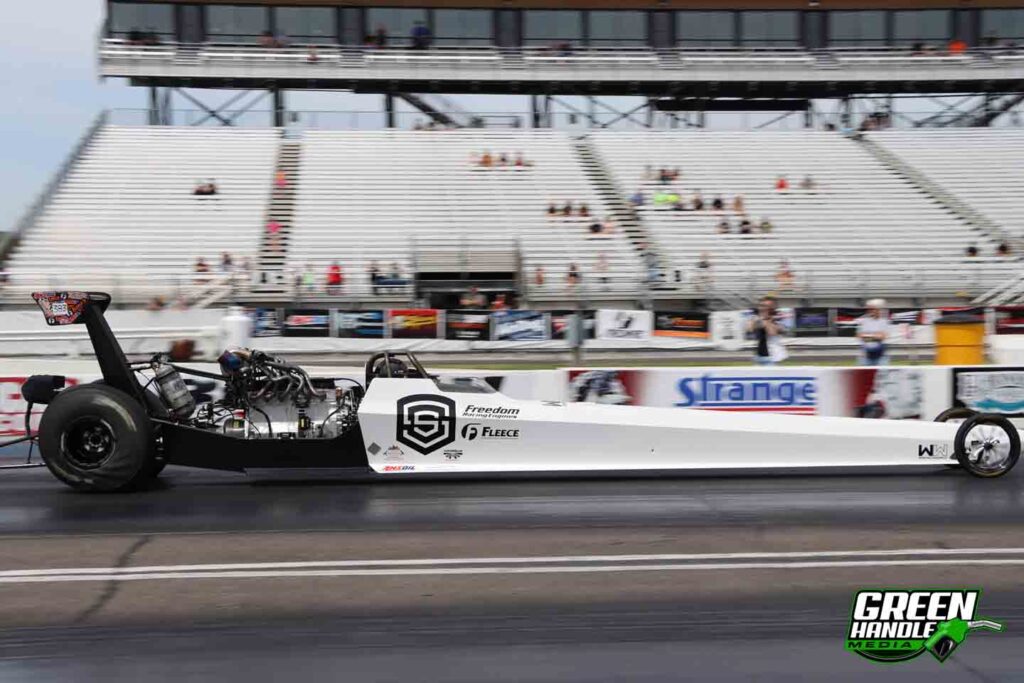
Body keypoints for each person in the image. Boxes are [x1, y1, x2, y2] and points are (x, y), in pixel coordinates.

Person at [748, 296, 786, 366]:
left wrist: (766, 318)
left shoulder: (778, 318)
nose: (763, 308)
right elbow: (750, 329)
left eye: (765, 306)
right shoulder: (758, 318)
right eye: (761, 305)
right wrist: (756, 317)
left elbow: (772, 333)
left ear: (772, 307)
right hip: (759, 356)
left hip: (772, 357)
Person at [857, 299, 891, 366]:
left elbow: (882, 337)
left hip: (881, 356)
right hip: (865, 355)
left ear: (878, 310)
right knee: (862, 374)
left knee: (882, 375)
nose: (870, 311)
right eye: (869, 309)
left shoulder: (884, 322)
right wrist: (875, 336)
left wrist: (867, 336)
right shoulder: (864, 322)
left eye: (872, 309)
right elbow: (860, 336)